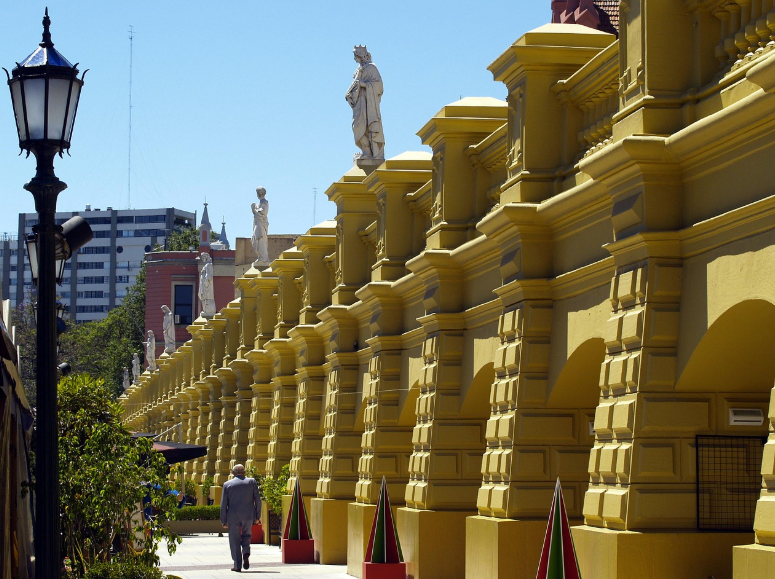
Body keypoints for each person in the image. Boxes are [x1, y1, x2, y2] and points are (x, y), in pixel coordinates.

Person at [346, 45, 385, 160]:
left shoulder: (371, 68)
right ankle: (365, 150)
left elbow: (379, 86)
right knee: (356, 126)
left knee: (366, 125)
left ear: (361, 55)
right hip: (359, 103)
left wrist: (364, 84)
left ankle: (369, 152)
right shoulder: (358, 70)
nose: (354, 58)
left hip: (368, 103)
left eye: (355, 55)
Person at [220, 464, 261, 572]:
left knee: (234, 539)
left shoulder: (227, 484)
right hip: (248, 515)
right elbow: (258, 500)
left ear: (233, 473)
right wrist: (257, 516)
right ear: (244, 472)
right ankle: (246, 551)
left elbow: (223, 504)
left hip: (233, 516)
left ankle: (237, 565)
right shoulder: (251, 482)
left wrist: (223, 520)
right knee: (247, 535)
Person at [251, 187, 269, 264]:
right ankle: (260, 257)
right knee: (256, 239)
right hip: (258, 224)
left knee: (260, 240)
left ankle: (263, 258)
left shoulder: (264, 202)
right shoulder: (260, 203)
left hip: (261, 224)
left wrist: (253, 209)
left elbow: (262, 213)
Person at [198, 252, 216, 317]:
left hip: (206, 286)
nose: (202, 259)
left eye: (203, 257)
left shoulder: (208, 265)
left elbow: (209, 277)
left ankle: (208, 310)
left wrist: (205, 283)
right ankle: (206, 310)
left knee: (206, 297)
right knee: (203, 297)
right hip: (204, 285)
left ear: (206, 257)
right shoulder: (206, 265)